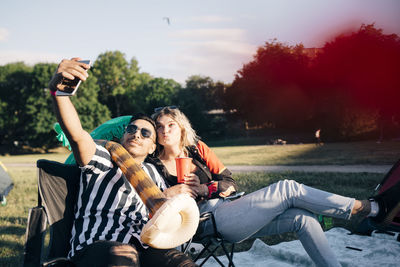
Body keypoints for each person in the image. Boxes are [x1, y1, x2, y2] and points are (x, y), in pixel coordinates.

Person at [147, 106, 400, 267]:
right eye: (159, 127)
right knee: (288, 188)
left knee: (302, 218)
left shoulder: (198, 150)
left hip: (230, 209)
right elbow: (156, 206)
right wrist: (178, 193)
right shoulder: (153, 165)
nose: (165, 130)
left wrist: (206, 188)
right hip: (204, 223)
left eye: (170, 125)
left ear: (181, 128)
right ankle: (367, 208)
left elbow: (230, 183)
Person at [48, 59, 196, 267]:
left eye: (145, 133)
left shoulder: (153, 172)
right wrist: (60, 93)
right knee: (123, 255)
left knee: (180, 262)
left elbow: (162, 210)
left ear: (153, 147)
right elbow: (77, 136)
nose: (136, 134)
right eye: (131, 129)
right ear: (123, 135)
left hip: (142, 248)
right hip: (96, 248)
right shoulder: (102, 157)